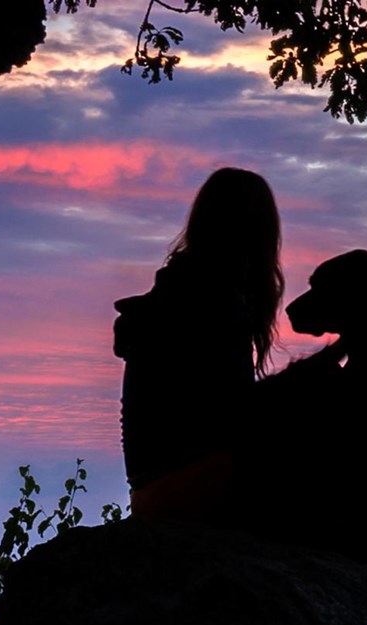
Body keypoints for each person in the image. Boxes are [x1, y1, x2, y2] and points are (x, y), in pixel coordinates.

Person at [113, 167, 284, 522]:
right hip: (184, 486)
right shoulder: (212, 300)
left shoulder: (180, 289)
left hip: (153, 489)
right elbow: (232, 411)